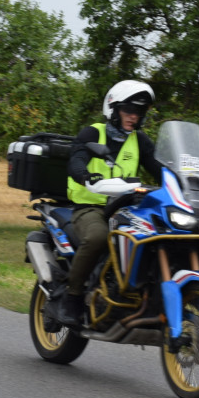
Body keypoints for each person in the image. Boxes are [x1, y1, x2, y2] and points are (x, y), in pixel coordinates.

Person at [51, 80, 163, 327]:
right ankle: (72, 297)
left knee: (158, 236)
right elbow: (77, 159)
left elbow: (160, 169)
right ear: (113, 109)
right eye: (128, 111)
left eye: (139, 113)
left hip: (125, 207)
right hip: (91, 207)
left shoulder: (140, 141)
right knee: (99, 237)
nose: (133, 117)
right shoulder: (93, 133)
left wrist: (185, 181)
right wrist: (85, 175)